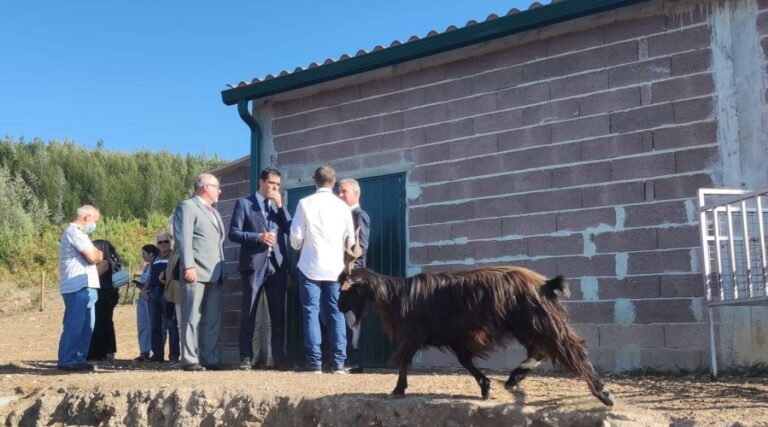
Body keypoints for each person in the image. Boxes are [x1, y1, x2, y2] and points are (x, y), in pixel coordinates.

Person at [290, 165, 356, 374]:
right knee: (336, 313)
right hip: (335, 268)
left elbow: (295, 239)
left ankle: (314, 362)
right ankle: (338, 362)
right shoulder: (343, 207)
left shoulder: (305, 203)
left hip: (310, 266)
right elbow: (351, 240)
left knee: (311, 312)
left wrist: (302, 246)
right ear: (333, 182)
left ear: (314, 181)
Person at [228, 167, 292, 371]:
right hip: (254, 265)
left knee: (278, 315)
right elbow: (234, 233)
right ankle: (245, 357)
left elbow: (290, 229)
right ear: (261, 183)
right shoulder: (244, 203)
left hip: (277, 266)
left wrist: (281, 206)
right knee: (249, 312)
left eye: (278, 185)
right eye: (272, 183)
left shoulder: (277, 206)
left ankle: (279, 359)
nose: (275, 188)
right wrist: (257, 237)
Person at [173, 173, 225, 371]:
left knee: (212, 318)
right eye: (216, 186)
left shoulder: (215, 212)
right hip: (195, 270)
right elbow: (183, 238)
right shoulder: (187, 207)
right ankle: (189, 358)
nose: (219, 191)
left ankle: (210, 358)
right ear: (204, 187)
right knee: (191, 316)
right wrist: (188, 266)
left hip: (215, 272)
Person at [57, 205, 104, 371]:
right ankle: (67, 359)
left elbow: (96, 255)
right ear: (87, 217)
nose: (95, 225)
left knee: (86, 326)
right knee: (75, 325)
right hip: (77, 287)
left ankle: (79, 359)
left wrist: (97, 254)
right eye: (95, 221)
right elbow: (94, 256)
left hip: (87, 286)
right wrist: (98, 254)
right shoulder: (75, 232)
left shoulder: (81, 235)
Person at [337, 178, 371, 373]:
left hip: (353, 278)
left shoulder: (359, 215)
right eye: (339, 192)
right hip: (343, 276)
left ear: (355, 194)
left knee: (353, 319)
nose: (340, 195)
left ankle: (354, 362)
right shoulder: (343, 216)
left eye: (344, 192)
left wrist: (350, 278)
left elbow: (361, 248)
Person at [142, 232, 180, 363]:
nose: (163, 244)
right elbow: (150, 275)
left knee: (171, 324)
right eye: (160, 242)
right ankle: (157, 355)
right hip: (153, 293)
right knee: (155, 325)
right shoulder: (156, 257)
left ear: (170, 242)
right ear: (157, 244)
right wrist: (144, 290)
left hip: (167, 292)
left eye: (166, 242)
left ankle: (174, 355)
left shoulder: (174, 256)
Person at [87, 239, 122, 361]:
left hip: (103, 294)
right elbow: (121, 280)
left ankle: (99, 351)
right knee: (107, 322)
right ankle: (108, 350)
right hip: (111, 293)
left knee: (100, 323)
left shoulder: (105, 262)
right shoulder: (115, 259)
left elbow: (94, 275)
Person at [134, 244, 158, 362]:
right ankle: (144, 351)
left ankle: (156, 352)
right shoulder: (146, 267)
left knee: (152, 325)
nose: (142, 256)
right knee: (142, 324)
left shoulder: (155, 265)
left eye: (144, 253)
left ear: (151, 254)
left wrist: (145, 290)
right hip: (143, 297)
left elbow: (151, 279)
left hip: (150, 297)